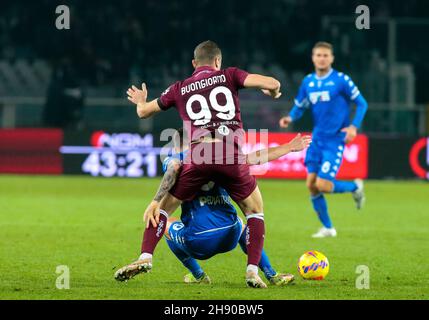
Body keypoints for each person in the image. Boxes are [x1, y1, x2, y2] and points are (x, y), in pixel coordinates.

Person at [120, 40, 283, 288]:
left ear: (194, 63)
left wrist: (142, 101)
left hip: (199, 154)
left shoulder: (179, 88)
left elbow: (144, 112)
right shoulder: (230, 75)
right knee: (254, 211)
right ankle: (252, 271)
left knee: (164, 210)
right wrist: (271, 91)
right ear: (218, 61)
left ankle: (145, 256)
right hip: (230, 153)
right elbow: (273, 83)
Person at [115, 129, 311, 286]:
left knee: (165, 220)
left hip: (199, 241)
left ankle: (195, 274)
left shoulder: (181, 157)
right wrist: (289, 147)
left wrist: (156, 200)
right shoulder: (224, 156)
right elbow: (255, 157)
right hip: (231, 234)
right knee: (246, 222)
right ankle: (271, 274)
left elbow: (174, 167)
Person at [279, 42, 368, 238]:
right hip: (316, 139)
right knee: (311, 185)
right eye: (318, 55)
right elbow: (300, 105)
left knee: (323, 185)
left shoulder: (341, 80)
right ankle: (328, 228)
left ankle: (355, 186)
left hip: (335, 140)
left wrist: (353, 127)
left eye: (325, 55)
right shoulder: (308, 82)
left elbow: (362, 103)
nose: (322, 58)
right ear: (313, 57)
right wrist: (290, 117)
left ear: (332, 58)